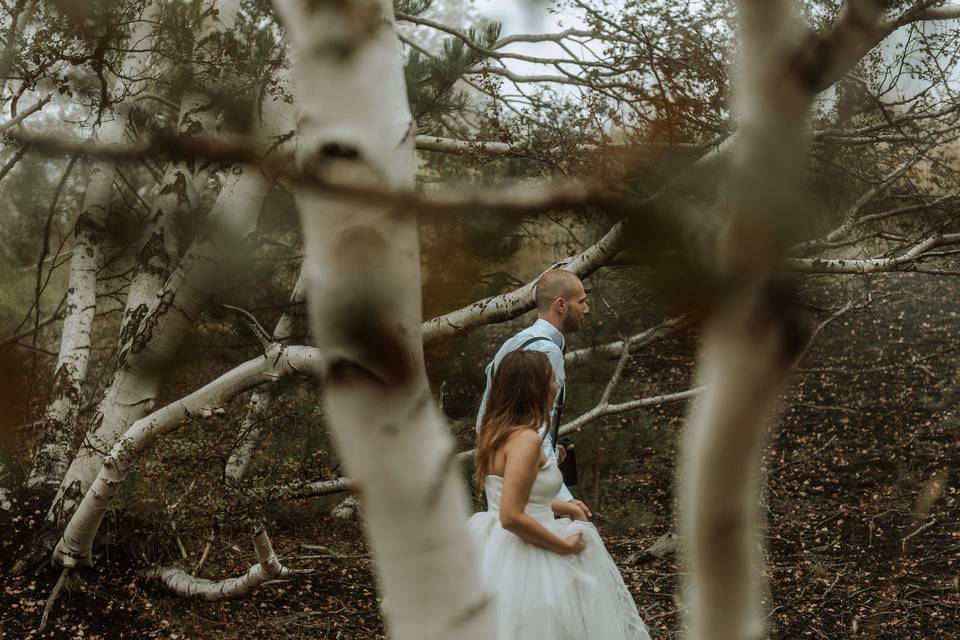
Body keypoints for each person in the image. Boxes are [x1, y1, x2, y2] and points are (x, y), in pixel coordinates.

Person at [469, 350, 651, 640]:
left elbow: (510, 495)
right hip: (527, 552)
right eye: (552, 379)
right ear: (535, 387)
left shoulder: (497, 433)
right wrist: (563, 547)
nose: (556, 386)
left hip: (496, 545)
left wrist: (564, 507)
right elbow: (511, 516)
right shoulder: (525, 440)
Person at [476, 269, 590, 521]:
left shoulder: (513, 343)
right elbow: (537, 429)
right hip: (531, 491)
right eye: (581, 301)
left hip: (500, 474)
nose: (587, 308)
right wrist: (564, 498)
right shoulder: (547, 352)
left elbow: (488, 418)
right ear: (561, 305)